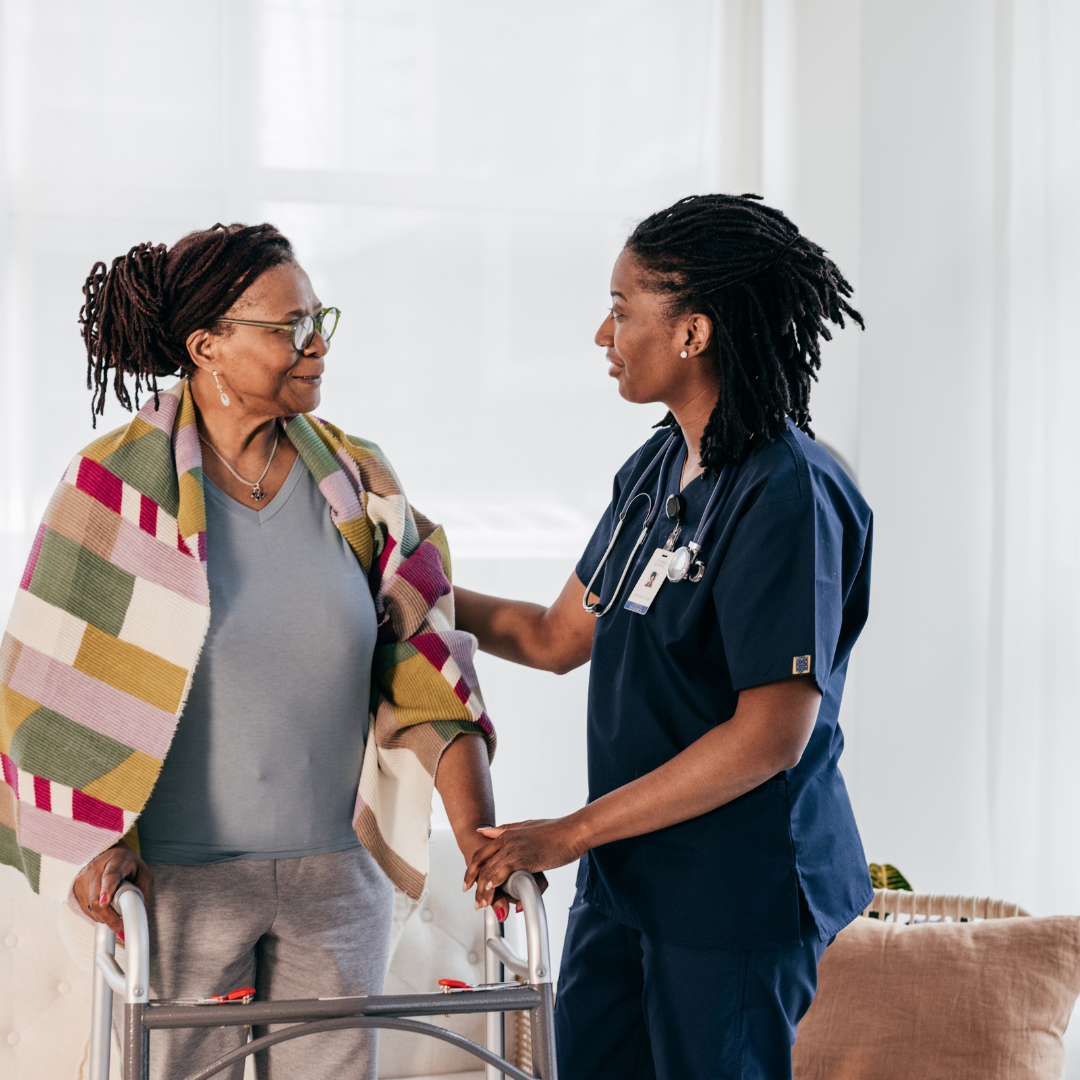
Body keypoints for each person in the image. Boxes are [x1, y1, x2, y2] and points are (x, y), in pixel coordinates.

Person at [0, 223, 500, 1080]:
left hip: (338, 876)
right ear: (209, 347)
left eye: (321, 318)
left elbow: (428, 665)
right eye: (289, 326)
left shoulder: (358, 481)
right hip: (179, 885)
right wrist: (92, 845)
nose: (317, 345)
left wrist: (482, 840)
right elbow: (44, 681)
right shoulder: (114, 488)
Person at [458, 194, 874, 1080]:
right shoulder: (656, 469)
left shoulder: (788, 495)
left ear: (692, 332)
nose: (601, 335)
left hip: (734, 890)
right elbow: (554, 636)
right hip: (629, 874)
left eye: (620, 311)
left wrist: (567, 832)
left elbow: (769, 738)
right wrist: (409, 587)